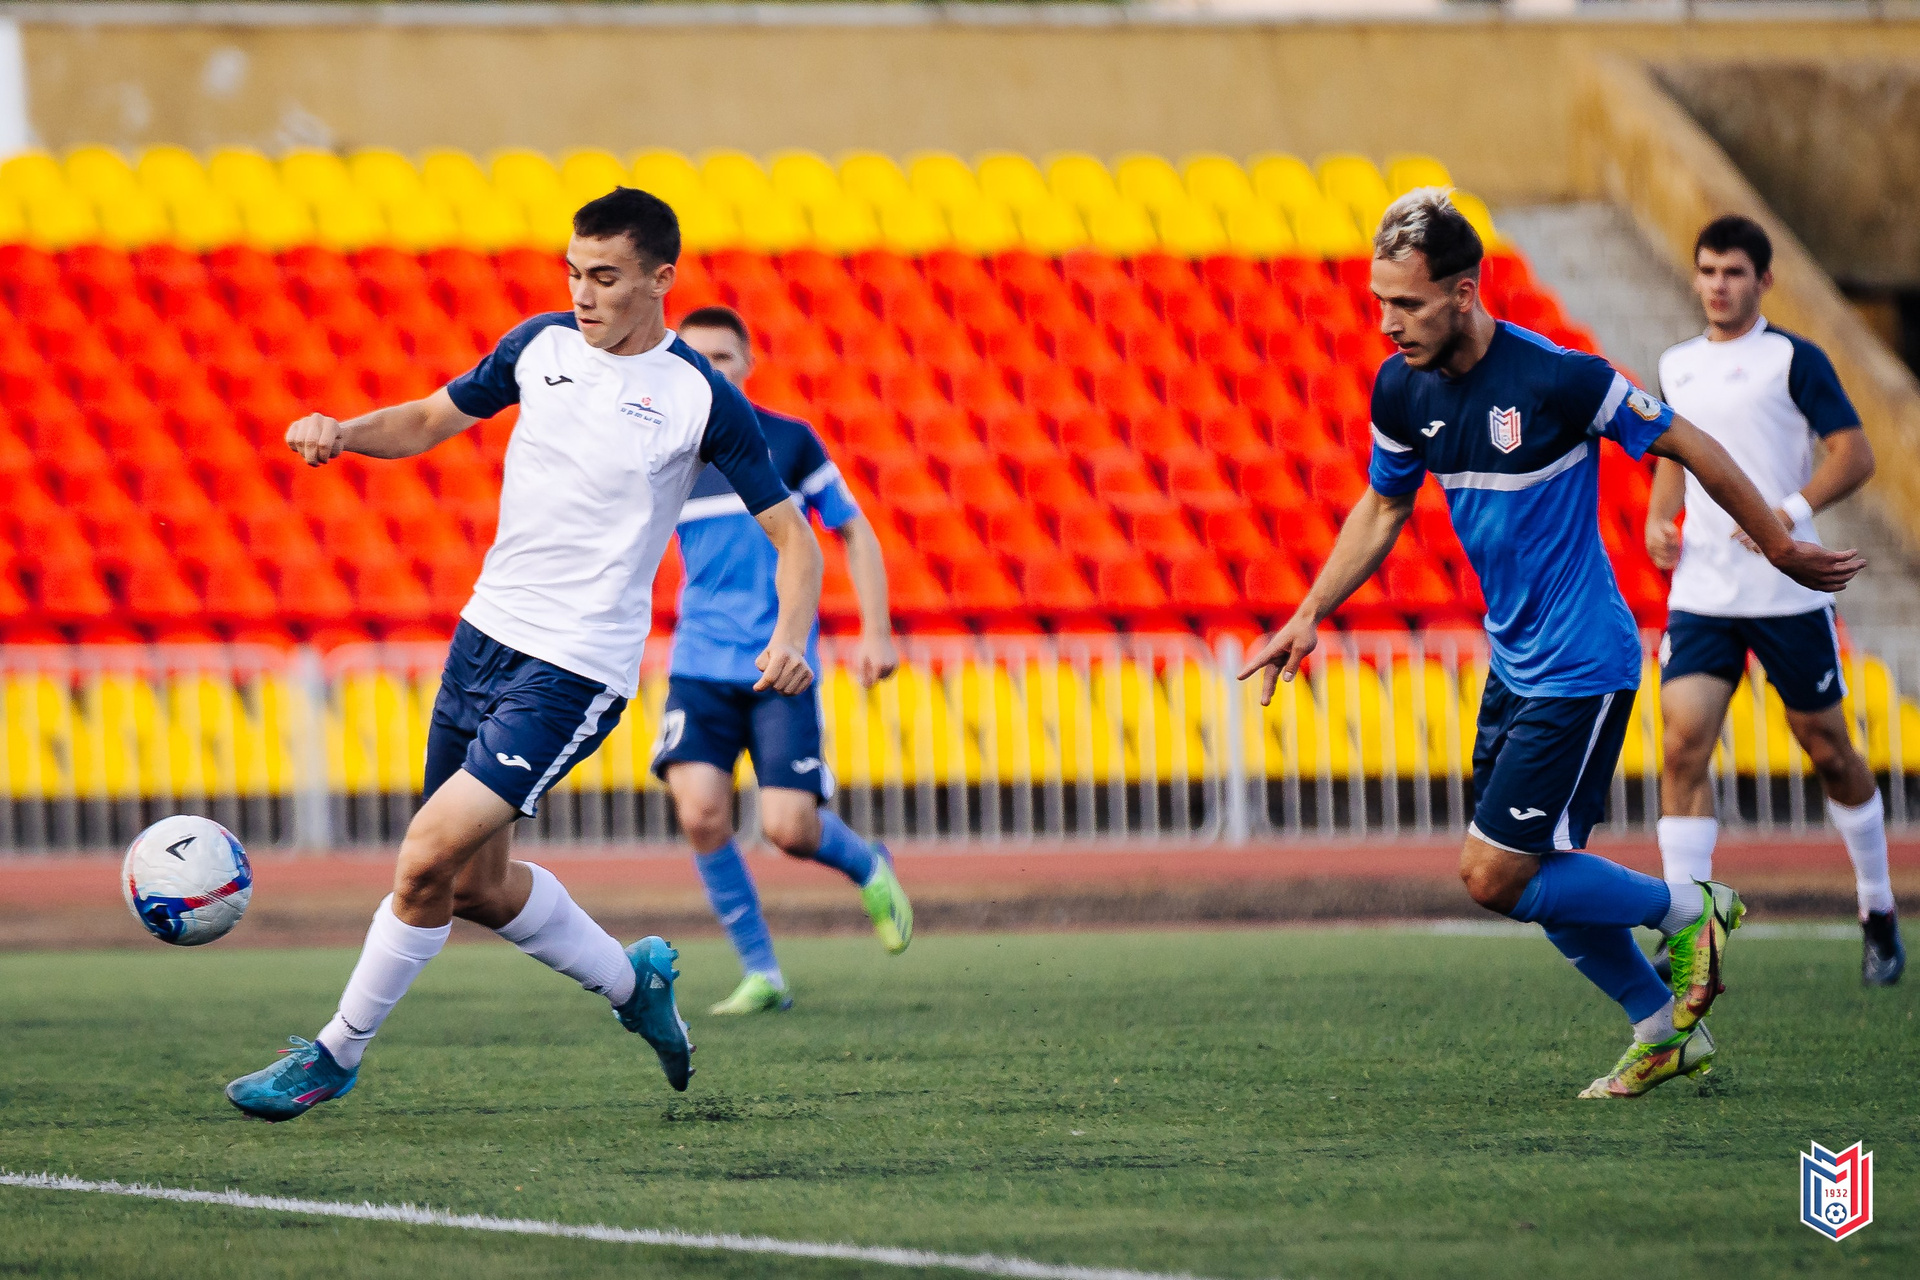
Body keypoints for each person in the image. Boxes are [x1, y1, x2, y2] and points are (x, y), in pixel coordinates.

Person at [1240, 190, 1863, 1099]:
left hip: (1581, 664)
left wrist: (1777, 542)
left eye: (1407, 303)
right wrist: (1308, 612)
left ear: (1463, 293)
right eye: (1379, 302)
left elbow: (1689, 441)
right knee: (1534, 872)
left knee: (1492, 875)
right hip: (1515, 666)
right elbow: (1382, 505)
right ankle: (1662, 1029)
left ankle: (1691, 908)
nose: (1387, 323)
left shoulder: (1558, 379)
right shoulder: (1400, 388)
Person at [224, 189, 824, 1120]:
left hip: (573, 670)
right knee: (473, 886)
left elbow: (796, 538)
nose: (582, 294)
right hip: (482, 641)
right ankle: (634, 987)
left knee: (423, 858)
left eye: (606, 277)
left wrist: (789, 637)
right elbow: (430, 419)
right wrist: (344, 432)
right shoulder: (538, 346)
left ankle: (333, 1056)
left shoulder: (700, 398)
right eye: (574, 273)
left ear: (660, 280)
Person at [1648, 215, 1902, 986]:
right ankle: (1688, 927)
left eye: (1733, 272)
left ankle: (1878, 908)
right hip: (1703, 593)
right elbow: (1672, 455)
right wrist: (1660, 519)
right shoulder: (1677, 365)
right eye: (1707, 271)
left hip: (1787, 593)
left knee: (1827, 749)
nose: (1717, 285)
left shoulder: (1793, 358)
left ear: (1763, 280)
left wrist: (1786, 515)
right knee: (1682, 746)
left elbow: (1855, 453)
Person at [656, 305, 912, 1017]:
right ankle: (762, 972)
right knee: (701, 814)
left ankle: (868, 864)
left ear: (748, 363)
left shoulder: (790, 442)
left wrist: (877, 632)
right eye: (695, 357)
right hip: (699, 663)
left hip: (782, 663)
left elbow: (854, 532)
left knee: (789, 828)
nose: (709, 369)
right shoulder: (668, 454)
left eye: (723, 357)